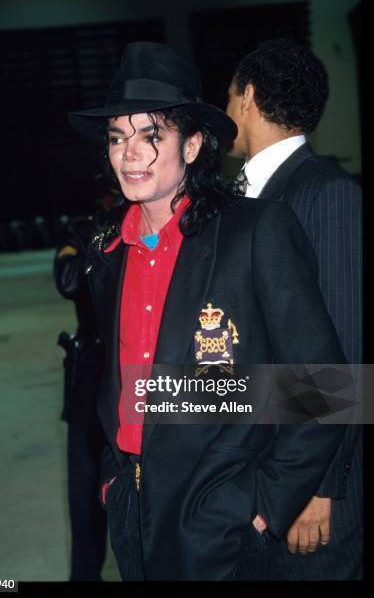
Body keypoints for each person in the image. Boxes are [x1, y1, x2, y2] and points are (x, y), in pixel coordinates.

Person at [68, 41, 348, 581]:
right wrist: (114, 479)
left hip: (224, 523)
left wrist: (263, 508)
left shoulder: (255, 232)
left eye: (151, 136)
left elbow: (325, 386)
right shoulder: (107, 254)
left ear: (193, 145)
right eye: (117, 137)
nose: (130, 154)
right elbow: (116, 384)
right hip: (132, 516)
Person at [226, 37, 362, 580]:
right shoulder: (245, 194)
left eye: (230, 95)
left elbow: (346, 342)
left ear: (249, 98)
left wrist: (318, 485)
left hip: (310, 482)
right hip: (260, 464)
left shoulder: (325, 192)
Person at [54, 208, 115, 581]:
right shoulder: (83, 228)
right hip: (89, 390)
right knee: (85, 506)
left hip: (147, 388)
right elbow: (68, 281)